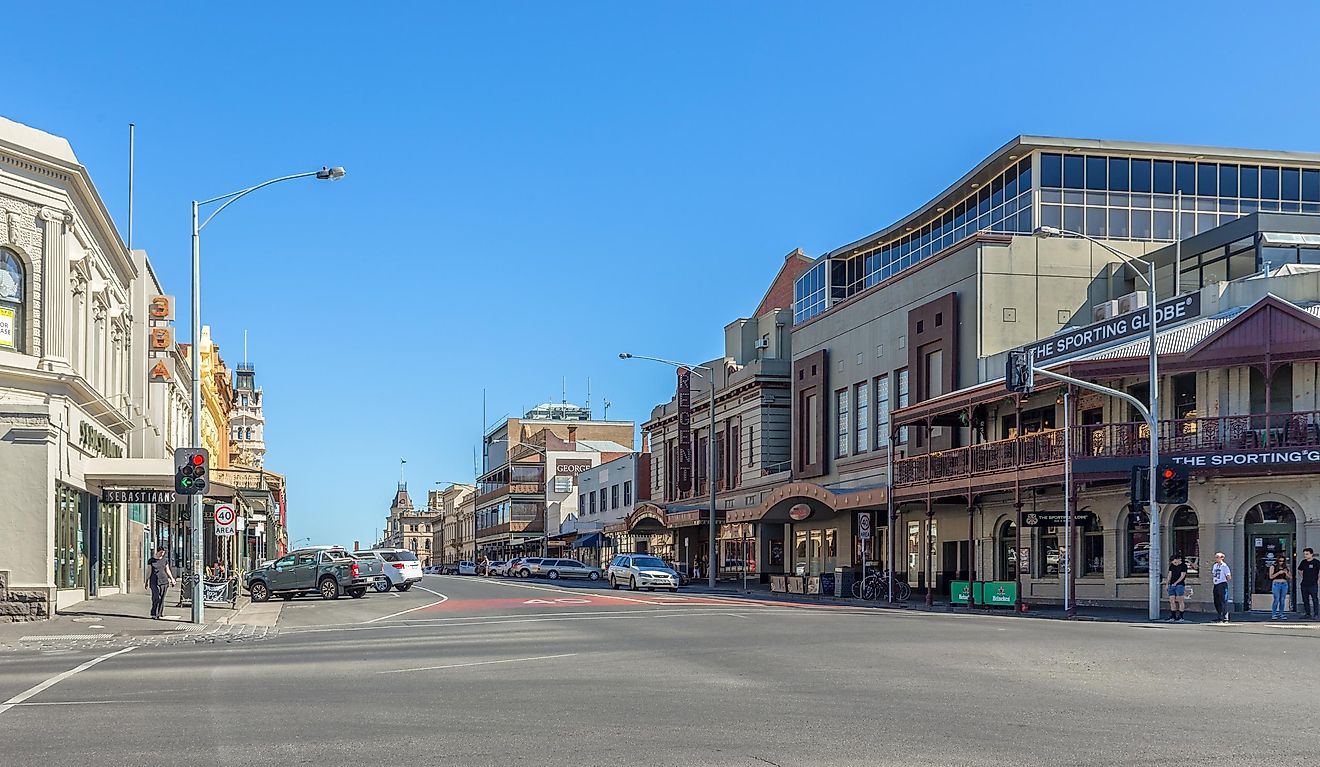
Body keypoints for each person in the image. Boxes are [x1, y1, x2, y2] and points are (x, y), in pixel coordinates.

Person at [147, 547, 176, 620]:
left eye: (163, 553)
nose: (162, 554)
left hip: (164, 581)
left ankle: (159, 613)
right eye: (161, 552)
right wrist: (146, 581)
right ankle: (154, 613)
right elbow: (149, 571)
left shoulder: (164, 560)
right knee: (156, 597)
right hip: (154, 581)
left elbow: (167, 569)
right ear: (157, 552)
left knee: (162, 598)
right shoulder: (151, 560)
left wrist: (172, 579)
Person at [1166, 554, 1188, 623]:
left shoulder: (1183, 566)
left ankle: (1181, 616)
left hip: (1180, 585)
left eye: (1175, 562)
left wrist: (1176, 583)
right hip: (1171, 584)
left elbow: (1182, 576)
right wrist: (1167, 583)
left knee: (1180, 600)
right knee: (1172, 600)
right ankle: (1173, 615)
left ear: (1178, 559)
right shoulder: (1172, 566)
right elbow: (1170, 575)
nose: (1175, 564)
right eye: (1173, 563)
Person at [1298, 548, 1320, 619]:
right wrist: (1302, 576)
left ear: (1311, 554)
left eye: (1307, 554)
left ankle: (1316, 614)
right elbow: (1299, 570)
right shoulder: (1303, 562)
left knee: (1314, 599)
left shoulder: (1316, 562)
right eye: (1304, 554)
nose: (1305, 555)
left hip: (1313, 584)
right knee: (1305, 599)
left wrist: (1318, 580)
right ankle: (1308, 613)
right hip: (1304, 584)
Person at [1211, 552, 1232, 624]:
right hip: (1216, 584)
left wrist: (1223, 580)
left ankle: (1225, 617)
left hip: (1222, 584)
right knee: (1216, 601)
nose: (1216, 558)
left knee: (1223, 600)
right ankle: (1219, 616)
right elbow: (1214, 574)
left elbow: (1229, 576)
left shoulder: (1225, 566)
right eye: (1216, 557)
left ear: (1222, 558)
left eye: (1218, 557)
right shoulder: (1215, 566)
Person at [1269, 555, 1291, 620]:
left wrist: (1286, 573)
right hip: (1276, 583)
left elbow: (1290, 577)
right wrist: (1278, 573)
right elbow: (1271, 577)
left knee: (1282, 600)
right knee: (1276, 599)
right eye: (1280, 561)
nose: (1281, 562)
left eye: (1283, 561)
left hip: (1284, 584)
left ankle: (1281, 613)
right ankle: (1274, 614)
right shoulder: (1273, 566)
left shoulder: (1286, 567)